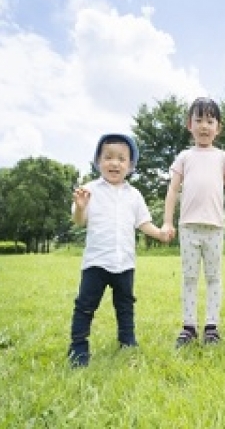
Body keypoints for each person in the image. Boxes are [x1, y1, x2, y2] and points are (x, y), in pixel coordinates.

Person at [68, 133, 169, 367]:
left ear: (130, 165)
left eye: (121, 159)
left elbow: (143, 223)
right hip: (96, 261)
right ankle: (78, 348)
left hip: (124, 262)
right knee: (85, 306)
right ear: (98, 161)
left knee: (125, 305)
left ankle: (127, 340)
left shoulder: (134, 195)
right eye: (108, 157)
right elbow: (79, 221)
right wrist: (80, 208)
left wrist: (160, 233)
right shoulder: (89, 190)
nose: (114, 163)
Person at [162, 97, 225, 348]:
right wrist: (167, 222)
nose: (204, 126)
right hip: (188, 227)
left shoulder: (222, 157)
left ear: (218, 127)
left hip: (215, 228)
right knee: (189, 277)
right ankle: (189, 326)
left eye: (210, 121)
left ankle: (211, 326)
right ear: (189, 125)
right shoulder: (184, 157)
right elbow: (172, 190)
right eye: (198, 120)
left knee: (213, 277)